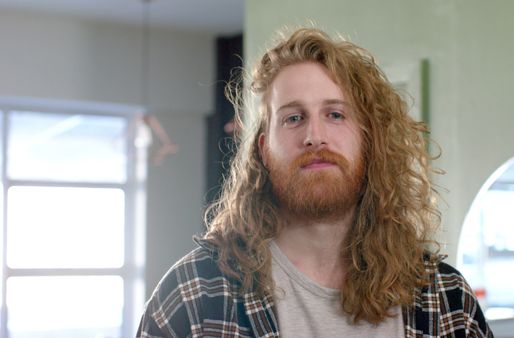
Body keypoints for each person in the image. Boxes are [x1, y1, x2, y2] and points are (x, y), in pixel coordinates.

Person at [137, 27, 492, 338]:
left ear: (368, 140)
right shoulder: (195, 295)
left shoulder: (447, 299)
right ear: (263, 149)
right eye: (293, 118)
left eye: (335, 114)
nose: (315, 136)